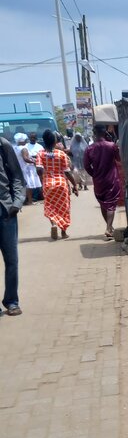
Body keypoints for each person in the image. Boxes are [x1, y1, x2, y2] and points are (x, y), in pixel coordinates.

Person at [0, 136, 26, 316]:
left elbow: (17, 176)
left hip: (5, 210)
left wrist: (17, 202)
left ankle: (11, 301)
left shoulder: (3, 145)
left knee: (11, 261)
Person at [38, 128, 79, 240]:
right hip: (61, 183)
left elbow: (39, 170)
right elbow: (67, 171)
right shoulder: (61, 154)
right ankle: (64, 232)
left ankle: (54, 224)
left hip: (48, 184)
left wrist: (43, 179)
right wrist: (75, 185)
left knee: (50, 206)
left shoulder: (40, 154)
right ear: (55, 141)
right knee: (64, 207)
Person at [84, 125, 122, 240]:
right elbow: (119, 159)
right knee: (111, 204)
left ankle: (109, 227)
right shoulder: (111, 146)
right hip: (112, 179)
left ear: (94, 133)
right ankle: (109, 228)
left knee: (103, 203)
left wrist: (95, 175)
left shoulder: (89, 148)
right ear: (105, 133)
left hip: (98, 181)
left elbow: (86, 166)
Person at [13, 133, 42, 204]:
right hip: (26, 168)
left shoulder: (15, 147)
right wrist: (34, 162)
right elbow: (25, 158)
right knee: (29, 185)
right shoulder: (24, 148)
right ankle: (30, 201)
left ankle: (25, 200)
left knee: (23, 185)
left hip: (19, 167)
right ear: (22, 140)